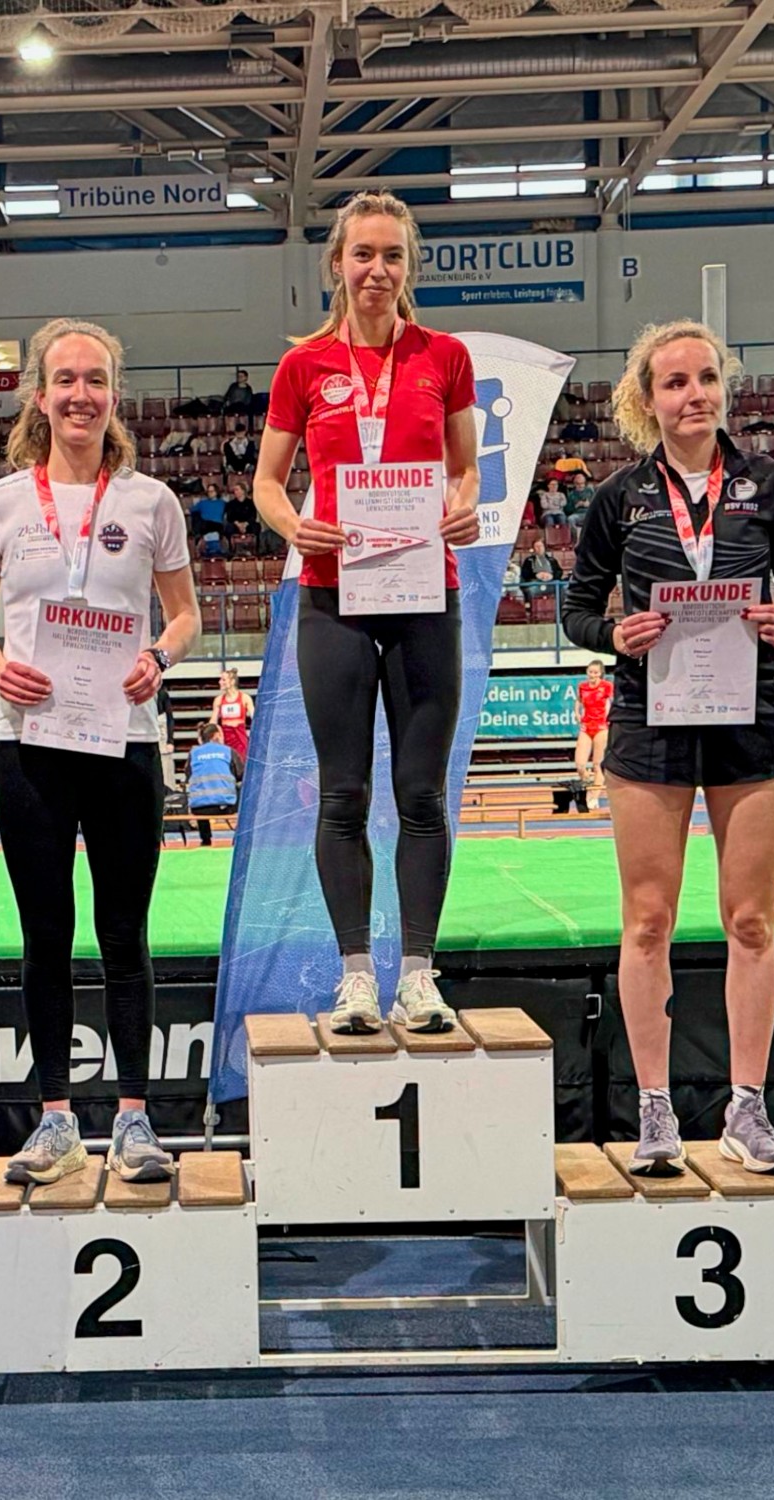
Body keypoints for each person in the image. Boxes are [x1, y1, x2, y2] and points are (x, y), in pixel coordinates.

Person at [562, 319, 774, 1178]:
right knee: (648, 922)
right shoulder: (619, 498)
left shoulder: (773, 486)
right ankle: (655, 1111)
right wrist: (615, 634)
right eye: (675, 382)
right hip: (650, 724)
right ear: (648, 399)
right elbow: (576, 610)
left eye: (706, 377)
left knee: (752, 921)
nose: (695, 394)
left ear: (724, 387)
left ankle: (748, 1109)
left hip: (753, 721)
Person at [0, 316, 201, 1187]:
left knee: (124, 932)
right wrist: (0, 668)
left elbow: (184, 614)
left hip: (122, 740)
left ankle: (135, 1118)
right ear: (40, 396)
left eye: (95, 380)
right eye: (65, 380)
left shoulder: (150, 503)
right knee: (46, 934)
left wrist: (158, 658)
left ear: (113, 395)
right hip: (29, 745)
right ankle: (55, 1117)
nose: (80, 395)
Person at [254, 189, 479, 1035]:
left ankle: (418, 976)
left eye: (391, 255)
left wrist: (465, 506)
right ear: (337, 265)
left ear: (407, 265)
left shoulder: (444, 357)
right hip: (332, 594)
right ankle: (356, 978)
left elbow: (465, 470)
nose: (376, 270)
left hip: (424, 592)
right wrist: (293, 524)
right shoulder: (303, 367)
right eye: (363, 254)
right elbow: (266, 483)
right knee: (342, 794)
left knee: (421, 794)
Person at [187, 722, 243, 846]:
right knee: (243, 788)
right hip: (226, 806)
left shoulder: (193, 753)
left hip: (199, 808)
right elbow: (241, 773)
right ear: (216, 735)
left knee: (198, 794)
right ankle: (238, 837)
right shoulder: (228, 751)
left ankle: (205, 840)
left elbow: (188, 775)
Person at [575, 660, 613, 791]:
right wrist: (577, 713)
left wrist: (611, 718)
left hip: (601, 726)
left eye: (596, 672)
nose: (592, 675)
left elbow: (613, 701)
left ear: (600, 673)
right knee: (580, 765)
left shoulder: (606, 686)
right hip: (586, 726)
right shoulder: (582, 686)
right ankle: (587, 780)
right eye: (590, 672)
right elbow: (578, 700)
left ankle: (594, 796)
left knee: (597, 765)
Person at [211, 668, 254, 763]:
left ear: (232, 681)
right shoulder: (218, 700)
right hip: (225, 739)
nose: (220, 682)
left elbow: (254, 718)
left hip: (240, 737)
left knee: (242, 762)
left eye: (223, 680)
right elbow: (213, 722)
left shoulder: (245, 698)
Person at [519, 535, 563, 603]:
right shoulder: (528, 560)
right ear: (534, 548)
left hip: (551, 583)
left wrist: (552, 576)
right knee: (530, 590)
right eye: (537, 546)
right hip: (535, 583)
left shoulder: (552, 560)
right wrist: (536, 575)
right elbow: (525, 574)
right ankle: (530, 608)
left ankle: (561, 608)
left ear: (544, 547)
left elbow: (559, 571)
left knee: (563, 588)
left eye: (541, 546)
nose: (539, 548)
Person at [190, 479, 228, 545]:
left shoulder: (222, 503)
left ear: (216, 492)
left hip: (217, 525)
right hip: (204, 525)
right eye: (209, 491)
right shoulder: (202, 502)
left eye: (212, 491)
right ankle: (197, 538)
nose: (210, 493)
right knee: (195, 515)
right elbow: (190, 510)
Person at [225, 480, 261, 548]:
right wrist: (238, 524)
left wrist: (245, 524)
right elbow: (230, 517)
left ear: (243, 491)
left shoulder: (251, 503)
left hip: (248, 524)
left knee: (256, 527)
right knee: (228, 528)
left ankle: (256, 549)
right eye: (234, 490)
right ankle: (231, 549)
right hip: (236, 524)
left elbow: (253, 516)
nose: (235, 492)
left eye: (237, 490)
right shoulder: (231, 504)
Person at [565, 474, 597, 540]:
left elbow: (597, 502)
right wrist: (576, 505)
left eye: (582, 483)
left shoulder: (590, 491)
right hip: (577, 514)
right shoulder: (571, 494)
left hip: (589, 513)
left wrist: (589, 504)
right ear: (574, 484)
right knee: (570, 519)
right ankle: (575, 539)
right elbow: (567, 509)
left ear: (585, 483)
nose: (580, 485)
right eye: (578, 483)